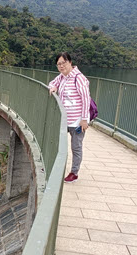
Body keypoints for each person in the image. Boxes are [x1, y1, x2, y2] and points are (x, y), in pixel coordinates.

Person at [48, 52, 91, 183]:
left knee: (76, 147)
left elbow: (86, 99)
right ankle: (54, 168)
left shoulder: (79, 78)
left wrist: (84, 120)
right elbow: (51, 83)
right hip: (64, 119)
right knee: (57, 143)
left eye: (64, 63)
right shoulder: (62, 77)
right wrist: (53, 87)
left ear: (70, 63)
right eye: (59, 64)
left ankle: (74, 173)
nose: (61, 66)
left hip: (77, 122)